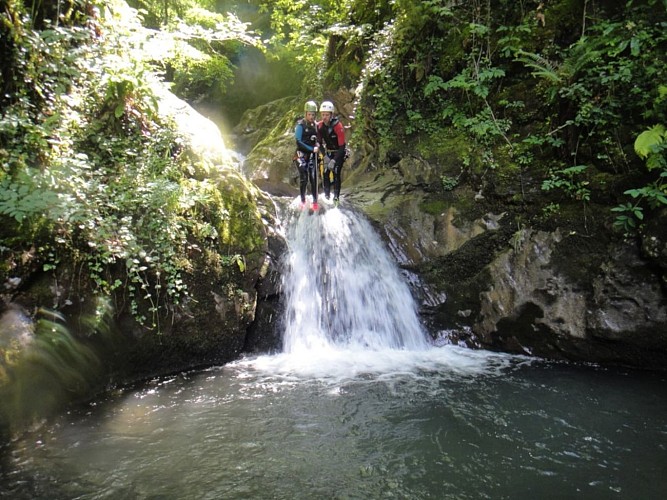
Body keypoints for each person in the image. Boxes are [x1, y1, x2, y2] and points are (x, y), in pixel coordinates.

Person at [317, 100, 346, 205]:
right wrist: (325, 156)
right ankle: (327, 196)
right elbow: (319, 143)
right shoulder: (320, 126)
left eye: (327, 115)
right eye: (323, 114)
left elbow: (342, 146)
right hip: (328, 152)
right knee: (325, 173)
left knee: (336, 172)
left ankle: (336, 198)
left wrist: (334, 160)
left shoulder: (338, 126)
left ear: (331, 115)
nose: (324, 117)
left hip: (339, 153)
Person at [294, 100, 320, 210]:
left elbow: (319, 139)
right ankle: (303, 200)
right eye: (309, 114)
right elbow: (298, 141)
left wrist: (318, 145)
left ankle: (315, 201)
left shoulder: (316, 126)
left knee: (313, 177)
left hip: (312, 156)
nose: (311, 116)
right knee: (304, 177)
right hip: (301, 155)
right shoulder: (300, 126)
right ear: (305, 114)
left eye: (313, 114)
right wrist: (311, 148)